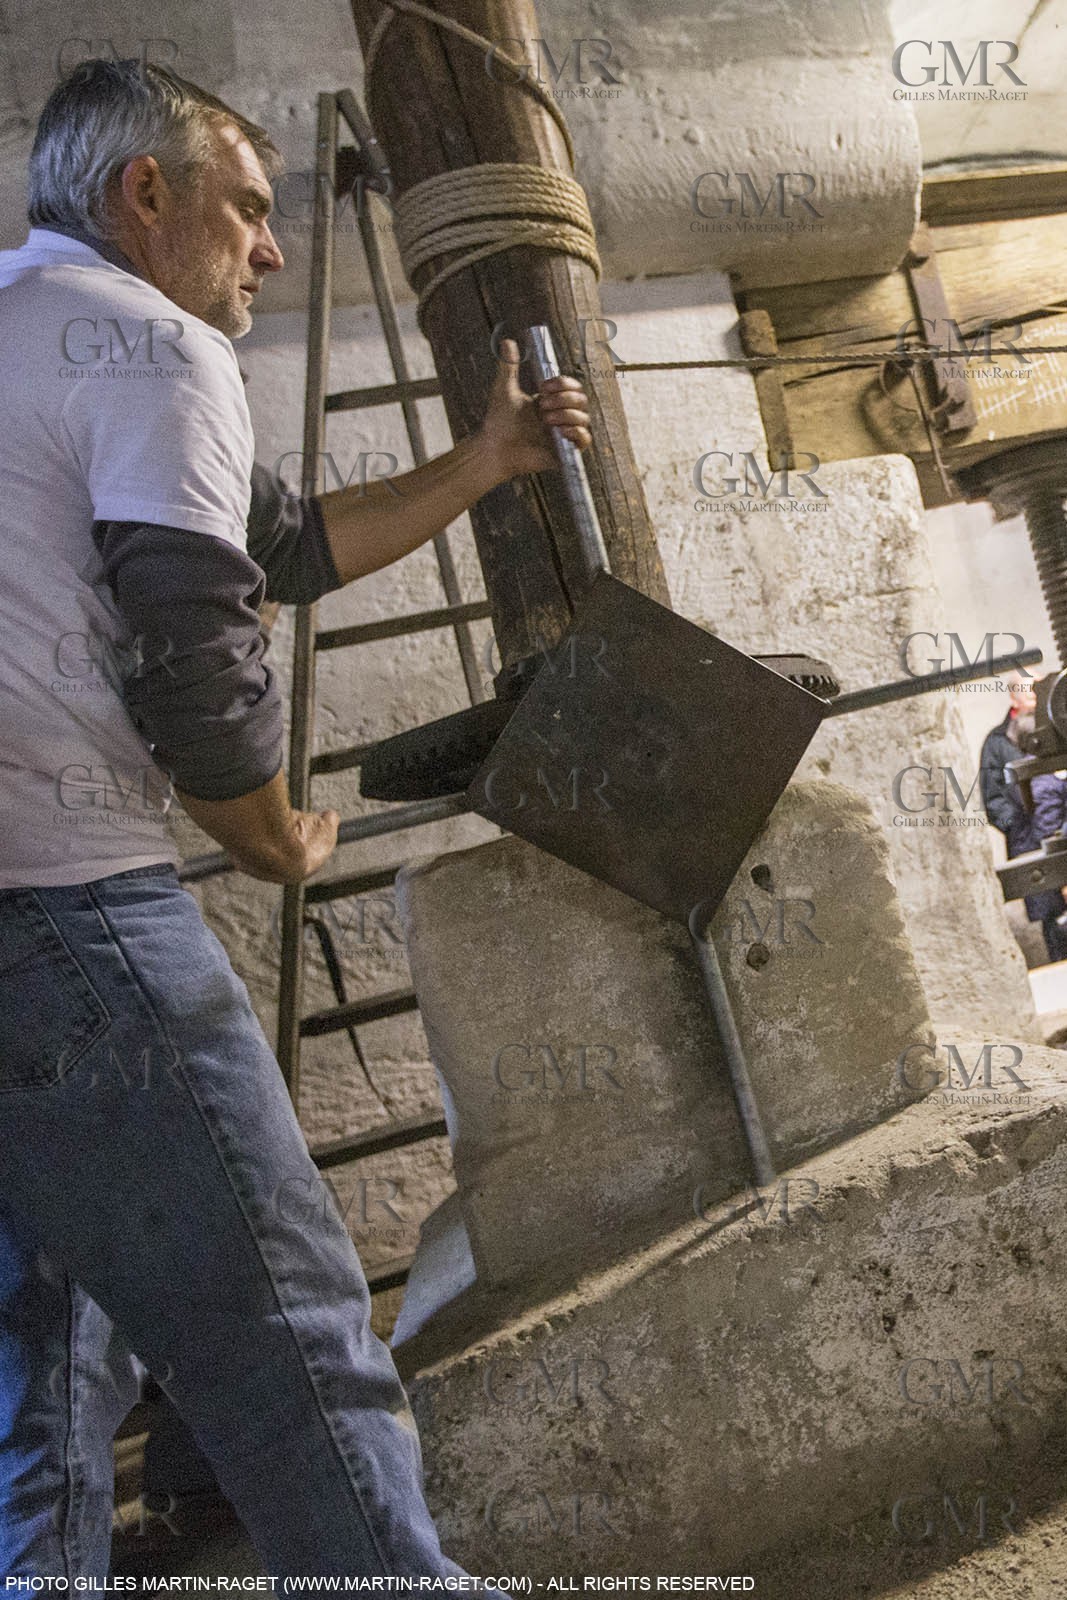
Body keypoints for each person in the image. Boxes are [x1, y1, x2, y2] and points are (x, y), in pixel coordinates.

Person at [0, 59, 591, 1583]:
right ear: (146, 196)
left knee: (48, 1353)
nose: (269, 251)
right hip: (66, 917)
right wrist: (270, 831)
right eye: (247, 211)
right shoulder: (147, 348)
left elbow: (280, 546)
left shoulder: (28, 333)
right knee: (289, 1324)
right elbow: (197, 659)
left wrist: (485, 457)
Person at [980, 674, 1067, 963]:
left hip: (1060, 828)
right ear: (1013, 699)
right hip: (1030, 840)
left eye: (1037, 691)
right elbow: (993, 800)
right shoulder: (997, 742)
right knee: (1053, 918)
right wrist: (1022, 826)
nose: (1034, 697)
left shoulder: (1059, 727)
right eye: (1028, 692)